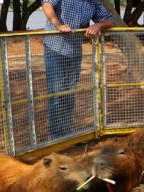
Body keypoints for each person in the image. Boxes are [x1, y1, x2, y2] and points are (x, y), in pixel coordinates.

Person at [42, 0, 115, 139]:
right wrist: (58, 24)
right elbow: (46, 4)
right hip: (54, 48)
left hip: (74, 51)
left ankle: (67, 132)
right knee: (57, 92)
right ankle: (56, 136)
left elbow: (111, 20)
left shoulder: (93, 2)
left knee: (69, 92)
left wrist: (98, 25)